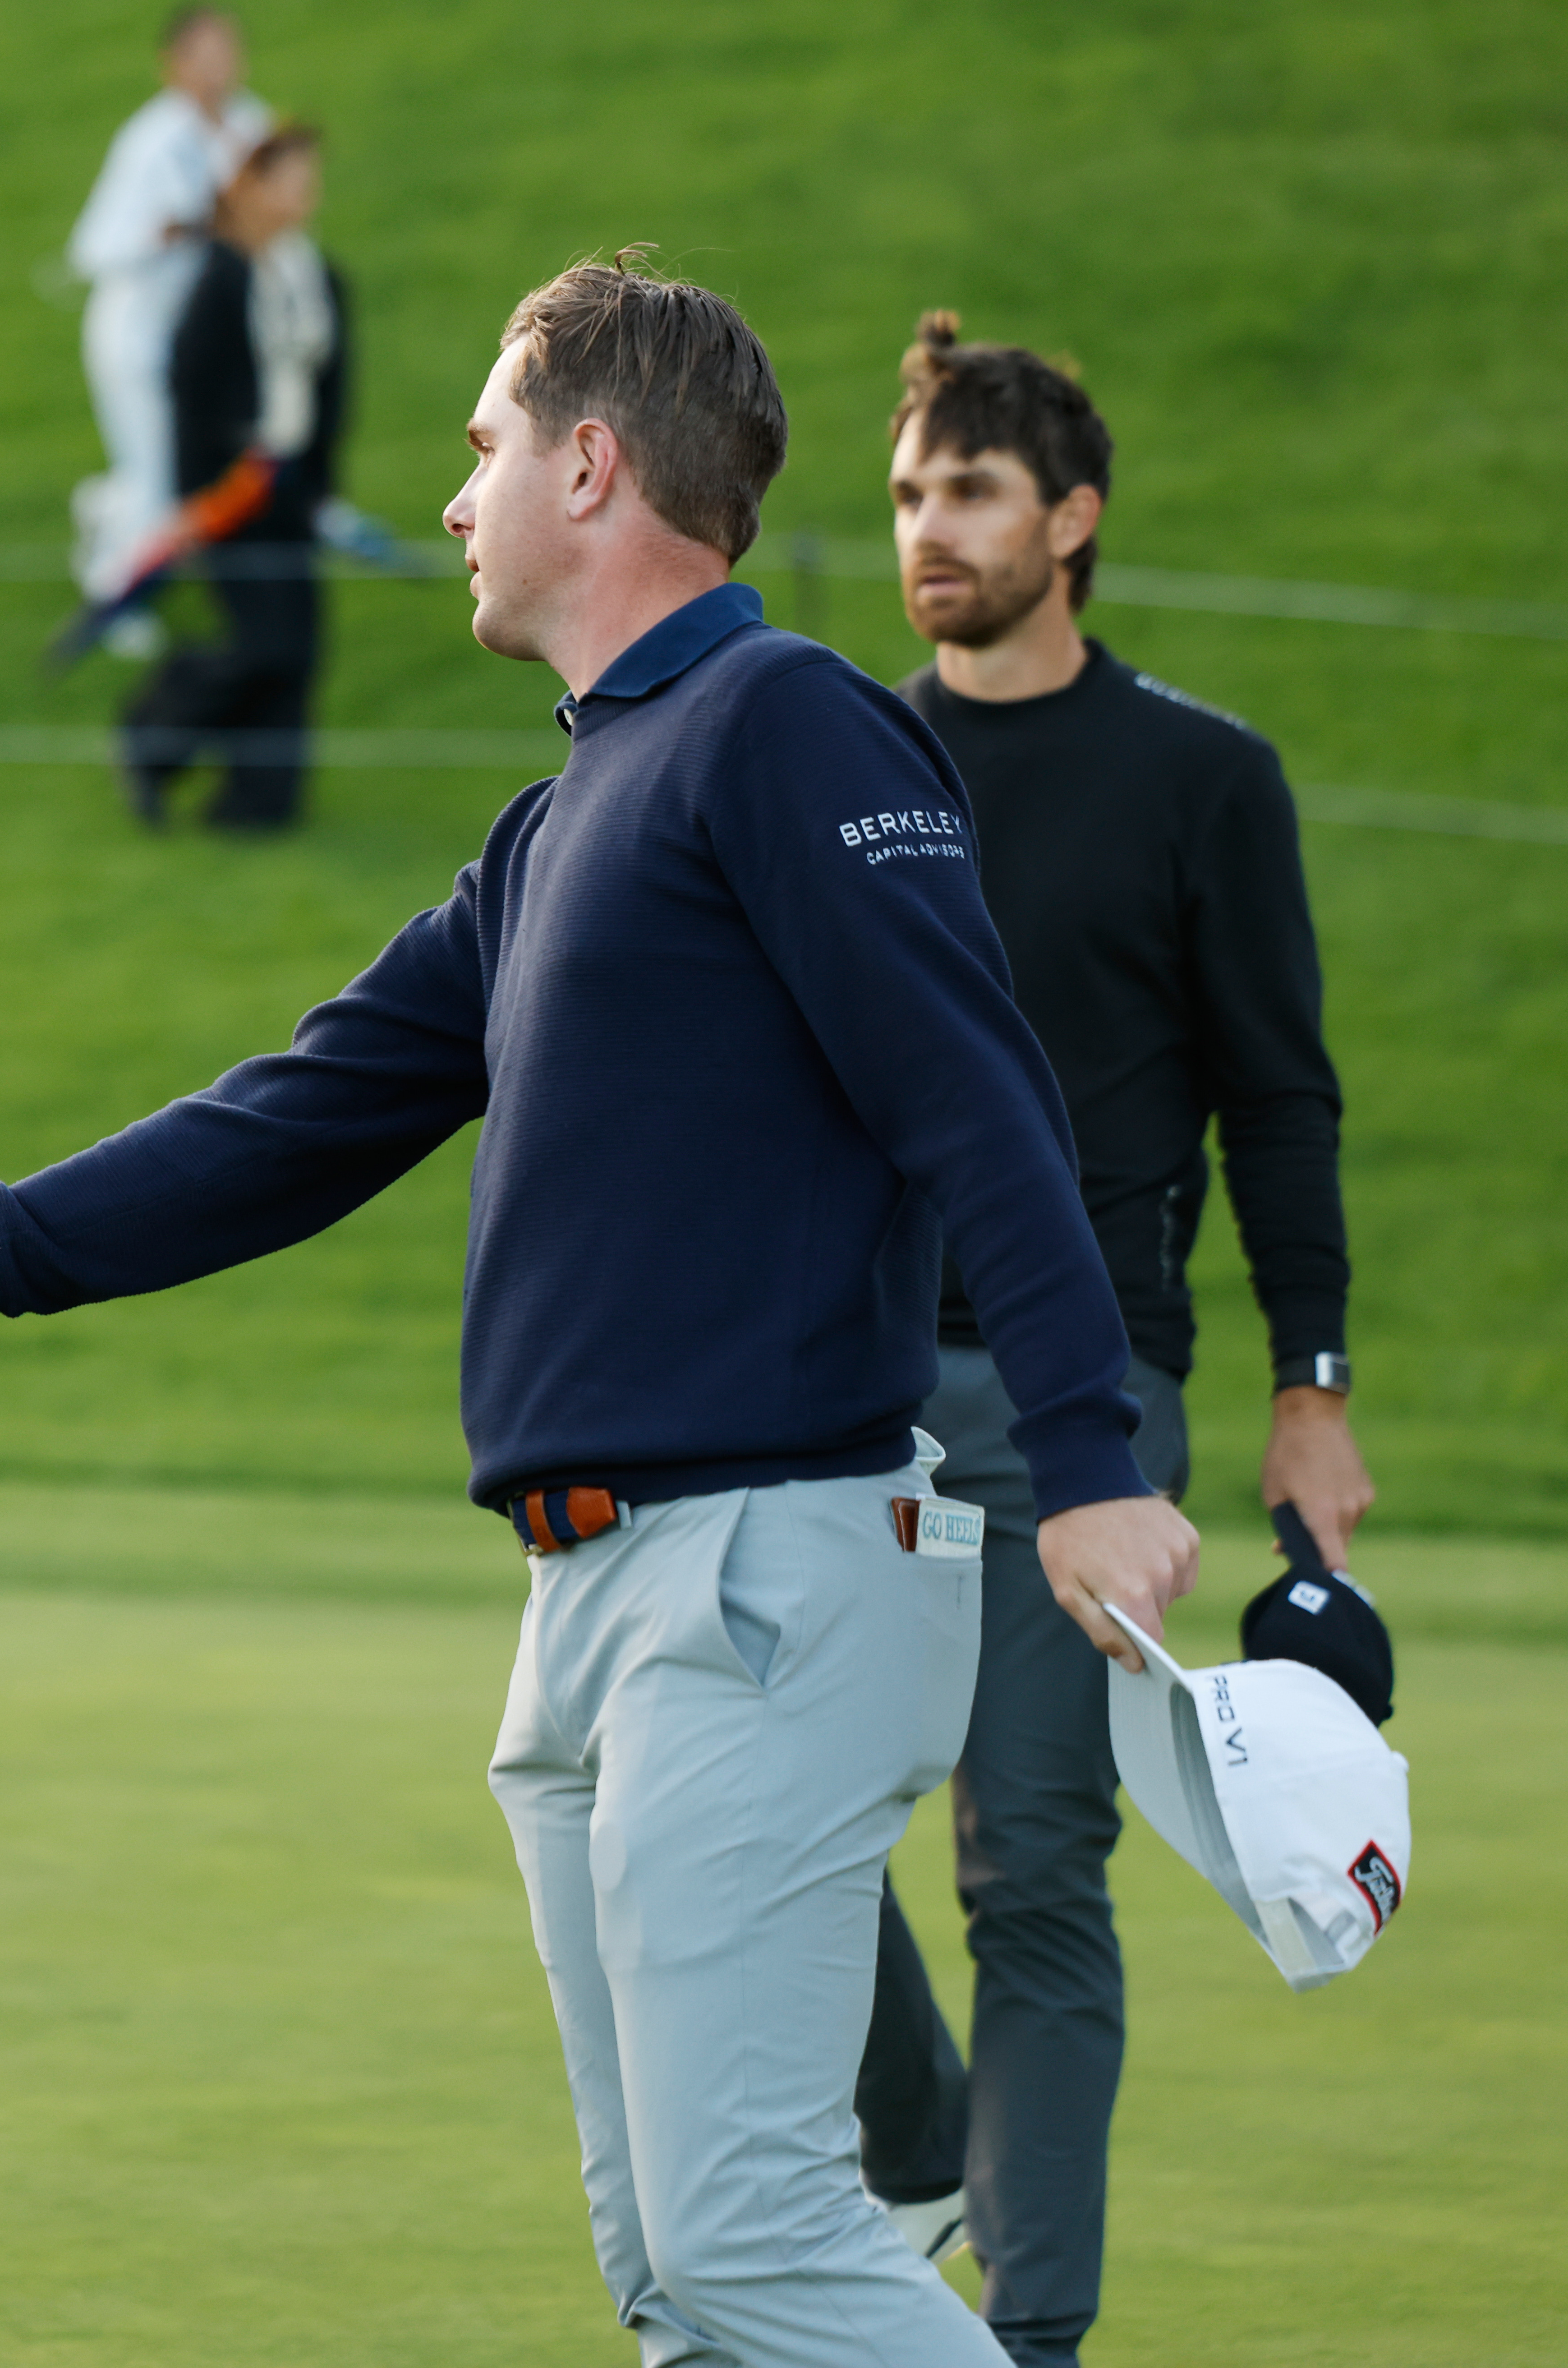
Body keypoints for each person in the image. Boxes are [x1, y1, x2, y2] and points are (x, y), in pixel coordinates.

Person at [0, 255, 1201, 2367]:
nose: (453, 499)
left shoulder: (787, 722)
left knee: (751, 2244)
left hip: (762, 1584)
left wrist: (1081, 1454)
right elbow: (297, 1118)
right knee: (675, 2285)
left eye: (485, 446)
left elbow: (980, 1094)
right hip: (591, 1615)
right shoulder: (562, 821)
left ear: (591, 464)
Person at [849, 312, 1372, 2365]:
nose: (926, 527)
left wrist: (1305, 1389)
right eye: (904, 494)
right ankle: (918, 2145)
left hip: (1085, 1415)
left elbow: (1283, 1099)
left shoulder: (1198, 779)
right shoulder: (848, 763)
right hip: (843, 1400)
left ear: (1069, 520)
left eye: (966, 490)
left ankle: (1028, 2349)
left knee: (1030, 1882)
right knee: (750, 1828)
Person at [118, 122, 348, 832]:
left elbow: (333, 392)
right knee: (260, 643)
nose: (303, 192)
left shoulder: (320, 278)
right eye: (288, 177)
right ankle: (149, 737)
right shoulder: (221, 277)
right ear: (248, 185)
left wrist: (319, 492)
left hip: (293, 492)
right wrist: (195, 500)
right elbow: (191, 390)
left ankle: (256, 808)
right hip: (231, 493)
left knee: (299, 650)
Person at [65, 6, 272, 635]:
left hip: (205, 340)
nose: (219, 65)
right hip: (137, 337)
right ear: (175, 65)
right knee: (157, 474)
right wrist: (167, 233)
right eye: (203, 53)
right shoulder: (150, 142)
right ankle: (119, 603)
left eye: (227, 49)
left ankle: (108, 511)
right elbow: (91, 247)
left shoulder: (252, 125)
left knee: (188, 468)